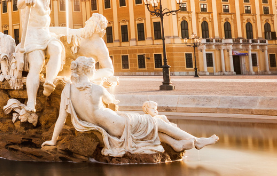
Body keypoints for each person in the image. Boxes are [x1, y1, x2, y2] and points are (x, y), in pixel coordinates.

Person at [43, 56, 217, 156]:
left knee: (150, 129)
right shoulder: (97, 88)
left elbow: (60, 118)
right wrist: (109, 83)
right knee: (156, 122)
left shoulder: (68, 89)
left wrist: (53, 140)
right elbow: (113, 102)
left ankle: (176, 144)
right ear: (90, 71)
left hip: (111, 129)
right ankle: (196, 140)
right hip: (119, 124)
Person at [16, 0, 65, 111]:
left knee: (57, 48)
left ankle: (49, 82)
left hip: (45, 34)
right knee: (36, 64)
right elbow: (20, 3)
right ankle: (31, 101)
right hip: (32, 37)